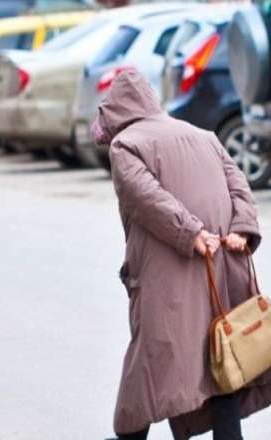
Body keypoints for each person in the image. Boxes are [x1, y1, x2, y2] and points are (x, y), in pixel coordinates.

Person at [91, 69, 271, 440]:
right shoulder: (203, 136)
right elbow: (239, 183)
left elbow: (145, 197)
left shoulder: (125, 145)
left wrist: (191, 233)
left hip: (170, 273)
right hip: (218, 267)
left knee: (153, 360)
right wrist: (240, 229)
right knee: (218, 354)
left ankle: (129, 437)